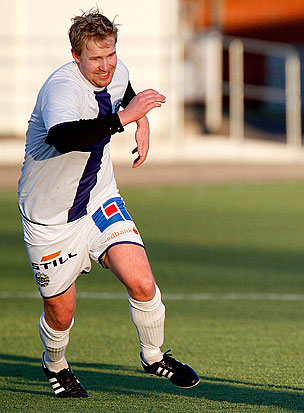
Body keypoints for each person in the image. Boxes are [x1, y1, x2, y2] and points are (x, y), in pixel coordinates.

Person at [17, 9, 199, 398]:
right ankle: (56, 364)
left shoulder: (117, 71)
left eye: (110, 54)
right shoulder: (61, 89)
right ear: (75, 55)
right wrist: (124, 119)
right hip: (50, 219)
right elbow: (64, 138)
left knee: (142, 281)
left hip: (100, 199)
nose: (105, 66)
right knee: (61, 314)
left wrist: (141, 121)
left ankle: (153, 356)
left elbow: (124, 91)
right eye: (95, 58)